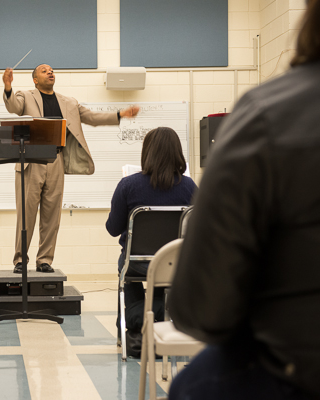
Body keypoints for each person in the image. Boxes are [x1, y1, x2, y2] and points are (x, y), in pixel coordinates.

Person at [168, 1, 320, 398]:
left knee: (191, 386)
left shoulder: (265, 115)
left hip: (299, 369)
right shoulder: (188, 188)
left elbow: (201, 311)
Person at [3, 64, 140, 273]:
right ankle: (20, 260)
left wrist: (120, 115)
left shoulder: (69, 103)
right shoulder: (26, 96)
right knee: (26, 214)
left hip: (56, 159)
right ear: (35, 80)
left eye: (51, 70)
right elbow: (13, 106)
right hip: (32, 160)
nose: (50, 72)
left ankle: (44, 260)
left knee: (52, 215)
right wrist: (7, 87)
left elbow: (93, 118)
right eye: (44, 70)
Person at [105, 127, 196, 357]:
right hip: (175, 265)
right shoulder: (189, 187)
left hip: (136, 263)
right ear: (178, 153)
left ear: (147, 153)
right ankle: (161, 317)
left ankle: (135, 323)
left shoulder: (128, 185)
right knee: (165, 272)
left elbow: (112, 229)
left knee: (125, 268)